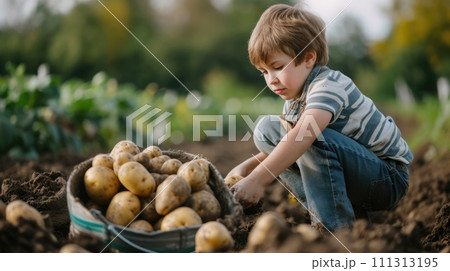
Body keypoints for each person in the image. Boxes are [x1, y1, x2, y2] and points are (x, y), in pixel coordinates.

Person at [227, 3, 413, 232]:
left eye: (277, 67)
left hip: (387, 178)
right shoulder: (295, 101)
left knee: (305, 134)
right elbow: (283, 143)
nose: (271, 79)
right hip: (361, 176)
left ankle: (334, 227)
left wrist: (257, 180)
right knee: (269, 130)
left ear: (308, 58)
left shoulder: (328, 85)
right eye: (264, 72)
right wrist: (245, 169)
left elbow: (303, 136)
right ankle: (337, 214)